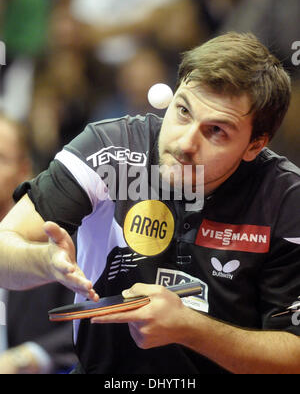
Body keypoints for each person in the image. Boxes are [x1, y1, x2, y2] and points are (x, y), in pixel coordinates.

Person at [0, 32, 299, 374]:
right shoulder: (108, 150)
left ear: (255, 145)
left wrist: (193, 330)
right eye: (183, 111)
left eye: (217, 131)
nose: (186, 143)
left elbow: (294, 353)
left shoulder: (286, 200)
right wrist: (46, 262)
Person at [0, 115, 77, 374]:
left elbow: (87, 323)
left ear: (24, 170)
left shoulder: (57, 238)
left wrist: (24, 358)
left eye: (0, 158)